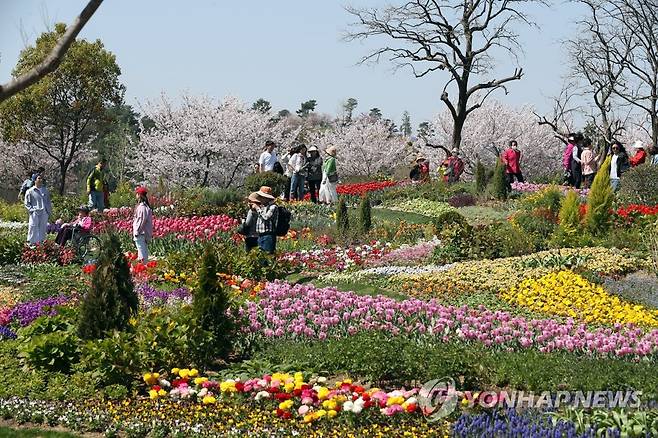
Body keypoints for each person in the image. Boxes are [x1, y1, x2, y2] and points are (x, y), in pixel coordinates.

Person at [24, 174, 52, 245]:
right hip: (35, 213)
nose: (41, 180)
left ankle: (41, 244)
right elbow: (27, 203)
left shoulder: (45, 190)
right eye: (39, 178)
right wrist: (32, 211)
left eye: (41, 178)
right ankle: (31, 244)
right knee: (33, 227)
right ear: (35, 180)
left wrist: (48, 211)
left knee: (42, 229)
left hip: (44, 213)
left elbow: (48, 201)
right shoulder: (30, 191)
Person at [254, 186, 278, 254]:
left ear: (266, 197)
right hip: (260, 235)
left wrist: (257, 208)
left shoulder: (273, 207)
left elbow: (266, 218)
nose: (259, 198)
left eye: (261, 197)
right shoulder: (263, 207)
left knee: (268, 257)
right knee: (261, 258)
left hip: (268, 236)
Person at [133, 186, 153, 262]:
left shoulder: (142, 207)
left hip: (141, 233)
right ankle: (144, 266)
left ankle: (143, 267)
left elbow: (141, 220)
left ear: (139, 195)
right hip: (143, 233)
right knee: (143, 251)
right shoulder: (145, 207)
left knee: (142, 253)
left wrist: (137, 231)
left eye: (137, 194)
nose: (136, 196)